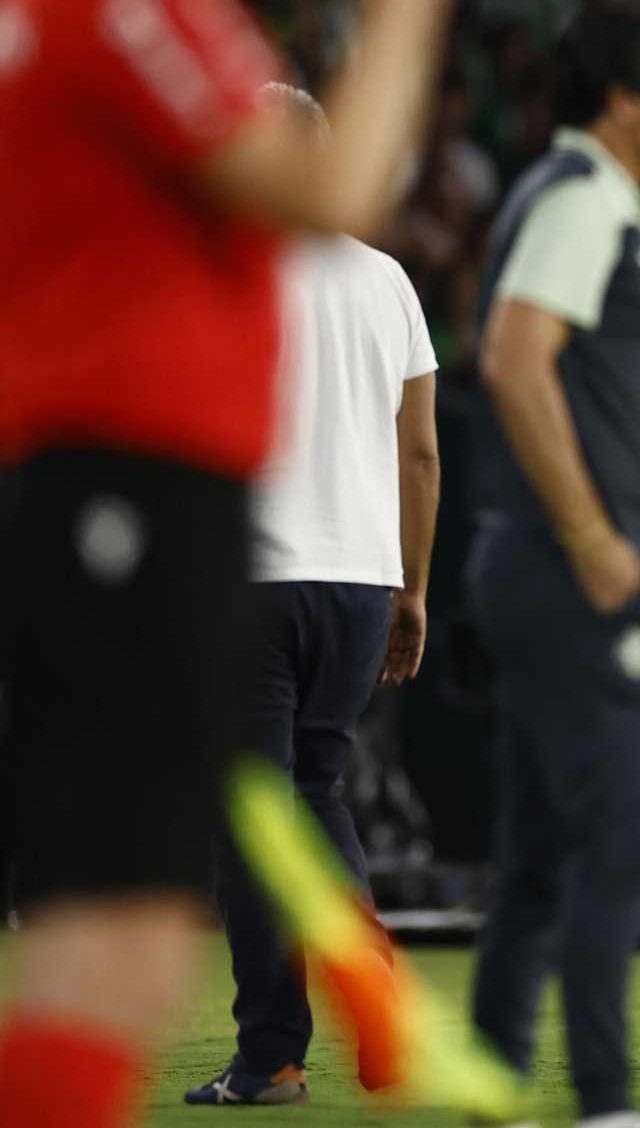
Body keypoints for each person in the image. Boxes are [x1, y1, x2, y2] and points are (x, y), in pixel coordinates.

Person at [0, 0, 479, 1125]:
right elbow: (337, 195)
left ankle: (309, 1027)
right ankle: (357, 992)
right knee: (185, 870)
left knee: (152, 902)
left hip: (210, 524)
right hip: (171, 503)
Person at [468, 4, 640, 1128]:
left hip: (535, 568)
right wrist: (589, 532)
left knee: (534, 861)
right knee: (622, 841)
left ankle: (490, 1089)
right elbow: (515, 359)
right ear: (622, 101)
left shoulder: (567, 194)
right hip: (571, 576)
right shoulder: (581, 200)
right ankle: (604, 1104)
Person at [185, 87, 441, 1107]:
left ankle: (277, 1052)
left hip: (253, 574)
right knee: (316, 791)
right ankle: (310, 1029)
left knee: (257, 817)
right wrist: (412, 588)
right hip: (360, 580)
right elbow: (418, 449)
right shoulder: (388, 282)